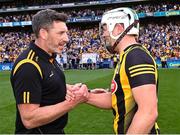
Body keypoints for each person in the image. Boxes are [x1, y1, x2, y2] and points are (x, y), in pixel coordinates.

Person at [67, 7, 160, 134]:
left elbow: (148, 112)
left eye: (105, 28)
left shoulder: (135, 56)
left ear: (118, 28)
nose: (104, 34)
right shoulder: (127, 56)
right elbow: (117, 100)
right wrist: (86, 96)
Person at [10, 9, 87, 134]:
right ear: (43, 33)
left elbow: (45, 84)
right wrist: (72, 102)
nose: (67, 39)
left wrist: (66, 89)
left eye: (66, 33)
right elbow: (29, 119)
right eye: (61, 33)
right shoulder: (28, 65)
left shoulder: (49, 57)